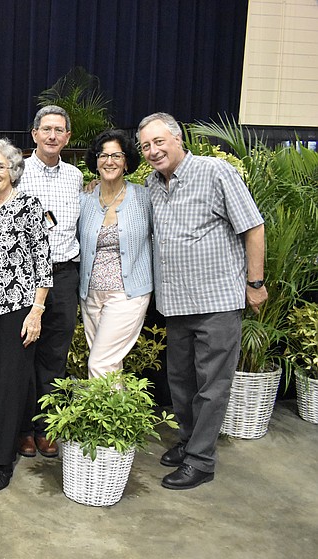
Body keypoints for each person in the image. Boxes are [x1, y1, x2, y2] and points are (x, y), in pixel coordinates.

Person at [137, 112, 267, 490]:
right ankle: (189, 441)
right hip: (176, 304)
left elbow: (253, 226)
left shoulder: (215, 172)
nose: (153, 151)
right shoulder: (152, 183)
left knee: (211, 386)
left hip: (216, 302)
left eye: (159, 141)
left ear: (178, 139)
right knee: (180, 382)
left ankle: (201, 460)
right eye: (146, 145)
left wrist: (255, 281)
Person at [0, 139, 52, 492]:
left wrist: (37, 311)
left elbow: (44, 262)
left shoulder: (28, 205)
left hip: (16, 310)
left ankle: (4, 461)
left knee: (9, 385)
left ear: (14, 172)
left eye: (1, 166)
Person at [16, 105, 83, 458]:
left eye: (59, 130)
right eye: (46, 129)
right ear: (34, 134)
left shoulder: (75, 176)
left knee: (55, 356)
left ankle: (46, 428)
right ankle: (23, 429)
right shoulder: (18, 171)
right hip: (25, 277)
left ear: (67, 137)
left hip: (64, 274)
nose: (52, 136)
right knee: (24, 352)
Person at [79, 130, 152, 378]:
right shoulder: (85, 198)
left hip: (127, 295)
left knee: (99, 363)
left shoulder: (144, 197)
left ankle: (97, 418)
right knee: (109, 367)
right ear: (96, 160)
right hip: (90, 295)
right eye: (103, 155)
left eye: (116, 156)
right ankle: (115, 416)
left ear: (127, 162)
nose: (109, 161)